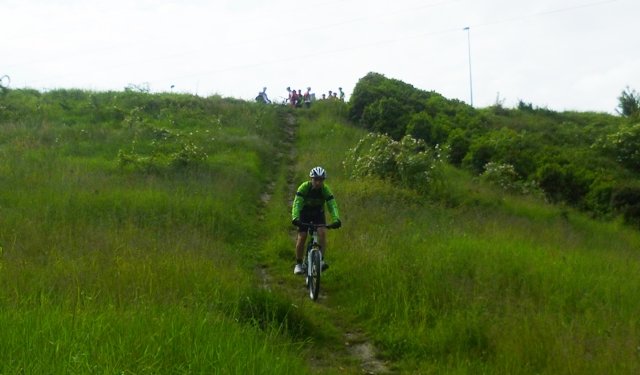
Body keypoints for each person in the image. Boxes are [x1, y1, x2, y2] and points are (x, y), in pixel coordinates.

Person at [291, 166, 341, 275]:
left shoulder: (325, 189)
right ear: (311, 179)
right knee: (302, 236)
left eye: (321, 180)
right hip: (305, 213)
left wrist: (336, 219)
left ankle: (321, 260)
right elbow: (297, 203)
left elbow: (332, 205)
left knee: (322, 233)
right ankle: (298, 264)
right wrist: (295, 218)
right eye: (315, 180)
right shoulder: (304, 187)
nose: (318, 183)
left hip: (318, 213)